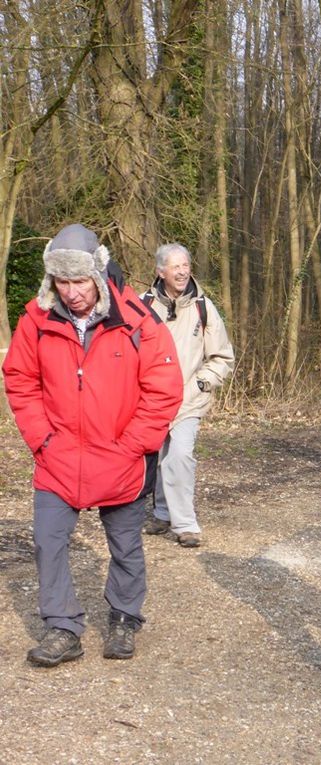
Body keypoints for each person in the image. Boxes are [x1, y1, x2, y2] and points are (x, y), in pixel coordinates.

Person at [2, 224, 183, 666]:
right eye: (62, 282)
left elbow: (164, 387)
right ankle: (62, 627)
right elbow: (20, 380)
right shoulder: (35, 320)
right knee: (47, 541)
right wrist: (42, 440)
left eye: (79, 280)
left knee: (125, 544)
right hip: (58, 458)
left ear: (98, 275)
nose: (72, 292)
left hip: (121, 457)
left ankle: (124, 617)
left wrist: (132, 446)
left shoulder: (138, 319)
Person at [141, 243, 235, 548]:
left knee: (180, 454)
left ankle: (185, 525)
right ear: (160, 271)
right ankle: (163, 511)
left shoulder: (203, 307)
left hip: (188, 399)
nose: (182, 271)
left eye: (186, 265)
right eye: (175, 266)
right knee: (160, 457)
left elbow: (222, 357)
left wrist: (200, 385)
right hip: (152, 400)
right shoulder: (143, 306)